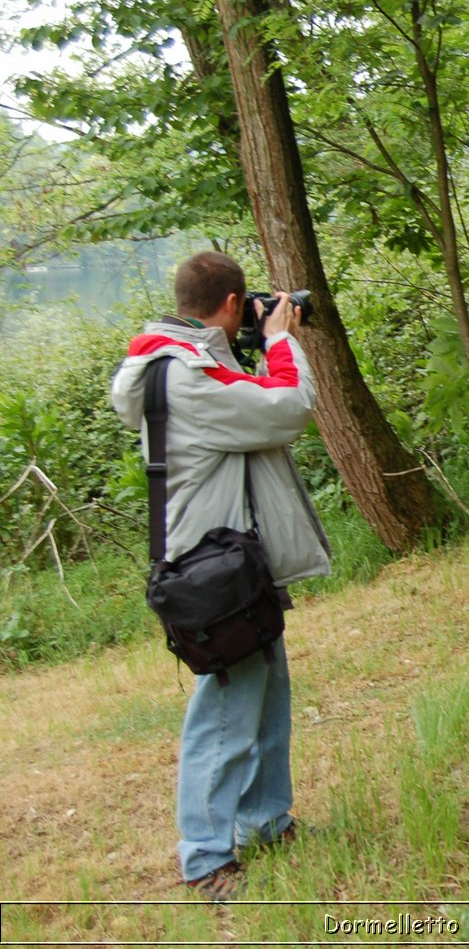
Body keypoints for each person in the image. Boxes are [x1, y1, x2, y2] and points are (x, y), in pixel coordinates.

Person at [109, 251, 330, 902]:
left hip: (229, 557)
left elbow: (245, 404)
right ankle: (205, 857)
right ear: (231, 305)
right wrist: (281, 340)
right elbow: (287, 407)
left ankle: (266, 822)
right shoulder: (187, 378)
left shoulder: (183, 365)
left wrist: (248, 337)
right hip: (217, 571)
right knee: (229, 709)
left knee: (266, 693)